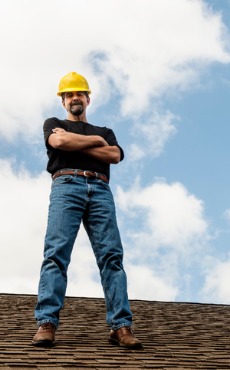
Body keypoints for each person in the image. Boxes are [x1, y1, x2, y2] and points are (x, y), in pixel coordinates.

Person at [32, 72, 142, 349]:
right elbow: (58, 143)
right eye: (69, 95)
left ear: (88, 98)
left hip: (100, 188)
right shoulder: (54, 124)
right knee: (56, 254)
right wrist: (95, 143)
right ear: (63, 101)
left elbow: (114, 155)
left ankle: (121, 327)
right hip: (66, 184)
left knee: (112, 258)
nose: (74, 98)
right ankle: (46, 324)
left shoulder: (105, 131)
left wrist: (78, 141)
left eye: (79, 93)